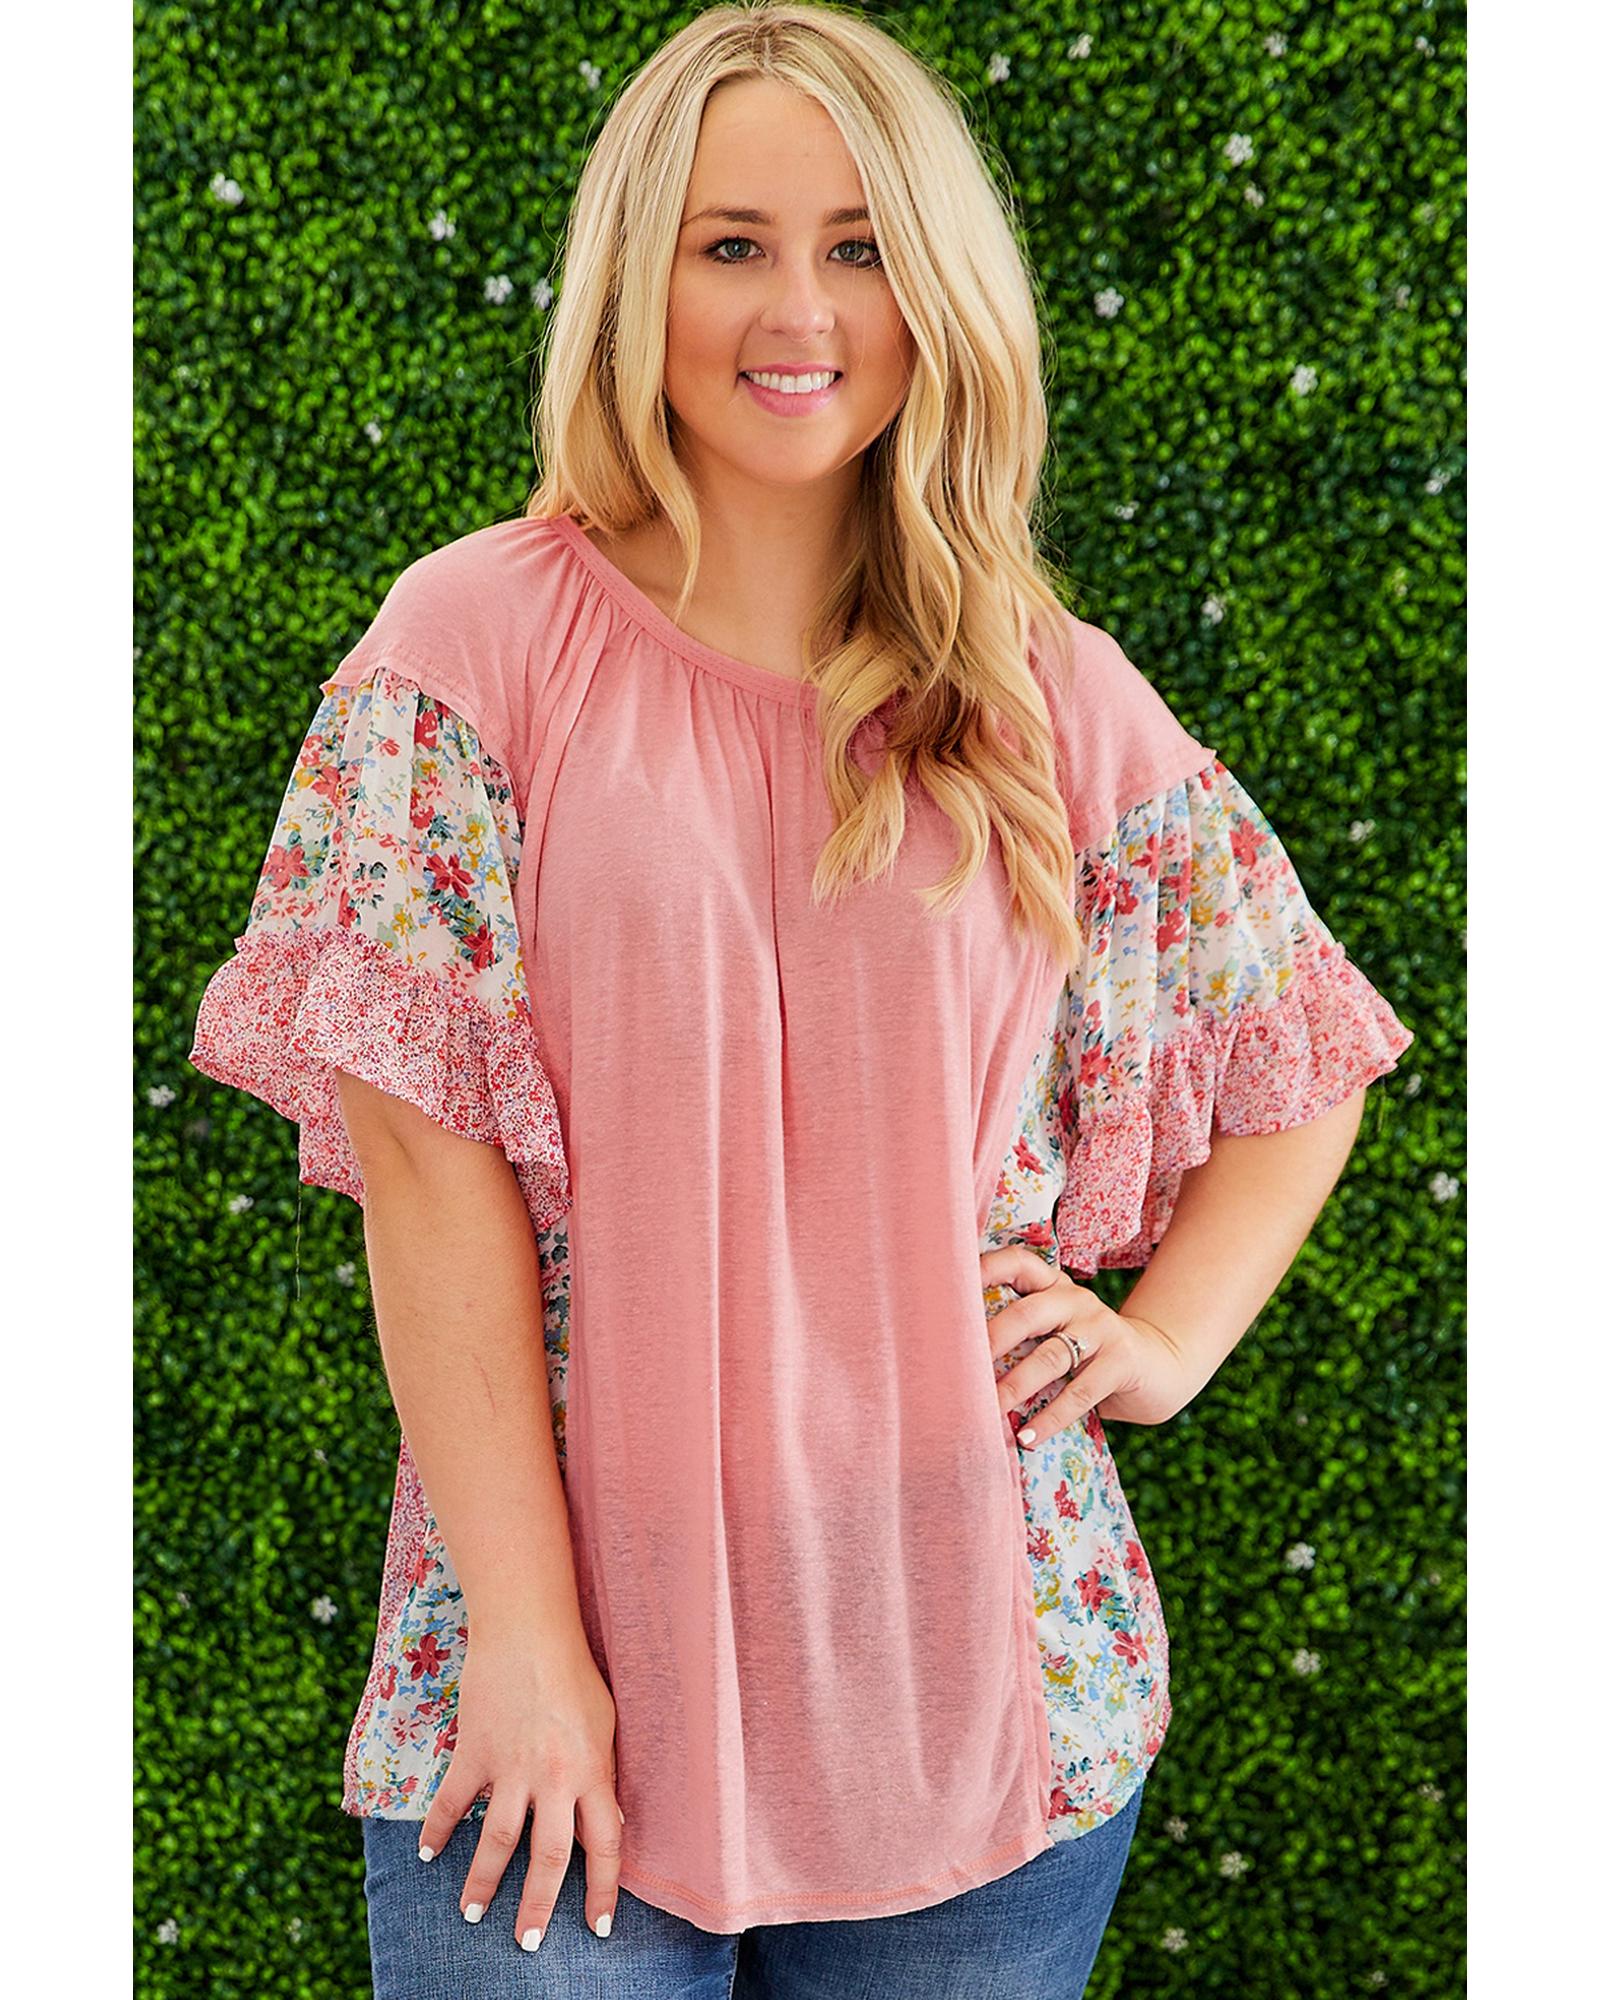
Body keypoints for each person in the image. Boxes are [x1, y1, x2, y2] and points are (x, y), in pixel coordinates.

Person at [187, 5, 1416, 1995]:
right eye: (731, 243)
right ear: (636, 277)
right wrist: (527, 1644)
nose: (800, 309)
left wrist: (1164, 1341)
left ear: (933, 289)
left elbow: (1301, 1058)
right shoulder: (469, 647)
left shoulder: (1043, 690)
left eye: (858, 246)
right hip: (552, 1684)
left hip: (987, 1684)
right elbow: (427, 1181)